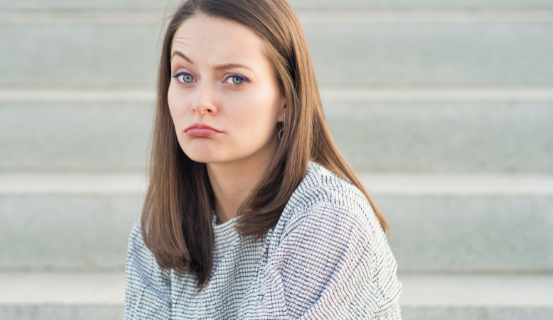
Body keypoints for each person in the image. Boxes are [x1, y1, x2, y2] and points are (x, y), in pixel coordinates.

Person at [124, 0, 402, 318]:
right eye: (185, 76)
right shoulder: (161, 227)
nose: (201, 103)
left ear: (286, 98)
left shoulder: (331, 218)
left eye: (235, 79)